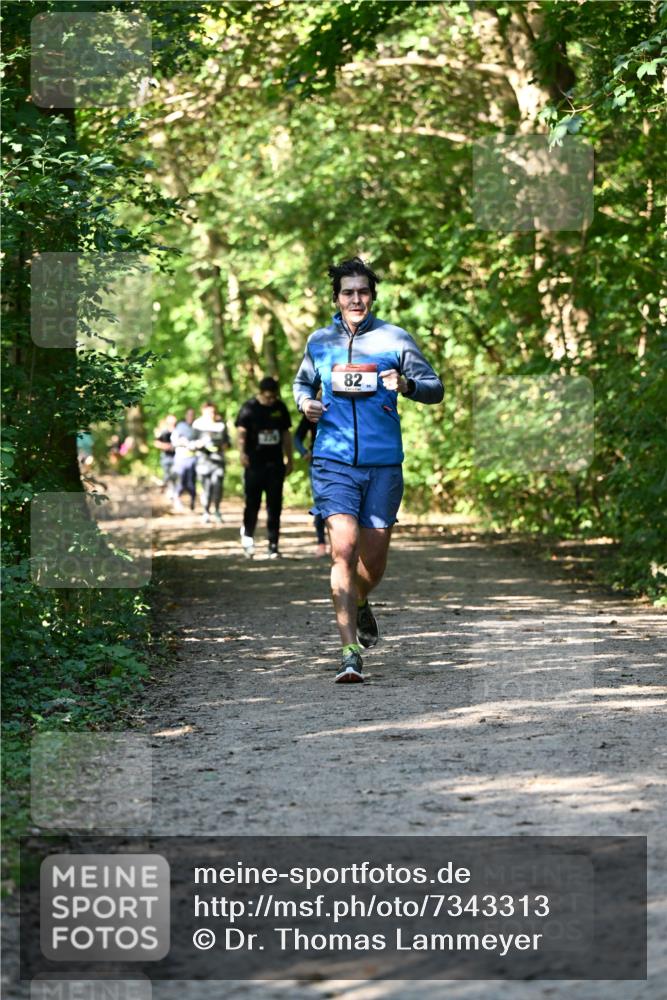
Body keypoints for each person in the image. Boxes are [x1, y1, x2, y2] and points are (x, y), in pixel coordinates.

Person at [293, 256, 443, 683]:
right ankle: (349, 652)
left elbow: (435, 388)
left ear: (372, 296)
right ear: (337, 298)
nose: (355, 298)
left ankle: (360, 601)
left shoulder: (395, 339)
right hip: (333, 460)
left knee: (372, 563)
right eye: (347, 292)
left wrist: (407, 385)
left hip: (382, 465)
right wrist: (306, 404)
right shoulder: (320, 341)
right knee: (343, 547)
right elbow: (302, 383)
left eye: (362, 291)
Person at [235, 376, 293, 558]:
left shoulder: (280, 408)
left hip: (275, 464)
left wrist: (289, 458)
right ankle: (248, 538)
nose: (271, 400)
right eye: (268, 397)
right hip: (254, 464)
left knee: (274, 505)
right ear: (260, 393)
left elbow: (286, 434)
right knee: (252, 503)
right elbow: (241, 432)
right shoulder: (249, 408)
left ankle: (273, 544)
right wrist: (242, 453)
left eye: (274, 397)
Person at [294, 412, 327, 557]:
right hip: (318, 461)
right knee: (320, 502)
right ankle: (321, 542)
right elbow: (297, 438)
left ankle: (343, 541)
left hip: (344, 460)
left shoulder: (343, 406)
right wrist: (303, 452)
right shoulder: (313, 412)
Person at [192, 402, 230, 523]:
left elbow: (228, 442)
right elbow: (191, 443)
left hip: (218, 461)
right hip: (203, 462)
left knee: (218, 486)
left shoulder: (221, 425)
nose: (211, 414)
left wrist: (223, 445)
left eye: (213, 412)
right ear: (203, 412)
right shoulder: (197, 425)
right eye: (209, 412)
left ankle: (217, 510)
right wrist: (200, 444)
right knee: (206, 488)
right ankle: (206, 511)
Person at [171, 407, 197, 512]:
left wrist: (195, 444)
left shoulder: (197, 427)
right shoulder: (180, 426)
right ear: (186, 415)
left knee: (191, 482)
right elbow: (173, 441)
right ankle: (177, 499)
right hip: (181, 458)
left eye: (193, 415)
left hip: (193, 458)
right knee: (181, 481)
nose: (191, 417)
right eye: (189, 414)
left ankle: (192, 501)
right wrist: (182, 442)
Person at [153, 414, 178, 501]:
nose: (172, 424)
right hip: (166, 456)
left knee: (174, 475)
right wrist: (166, 446)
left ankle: (172, 492)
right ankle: (166, 488)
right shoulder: (164, 432)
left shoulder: (178, 431)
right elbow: (156, 443)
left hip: (177, 457)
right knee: (168, 474)